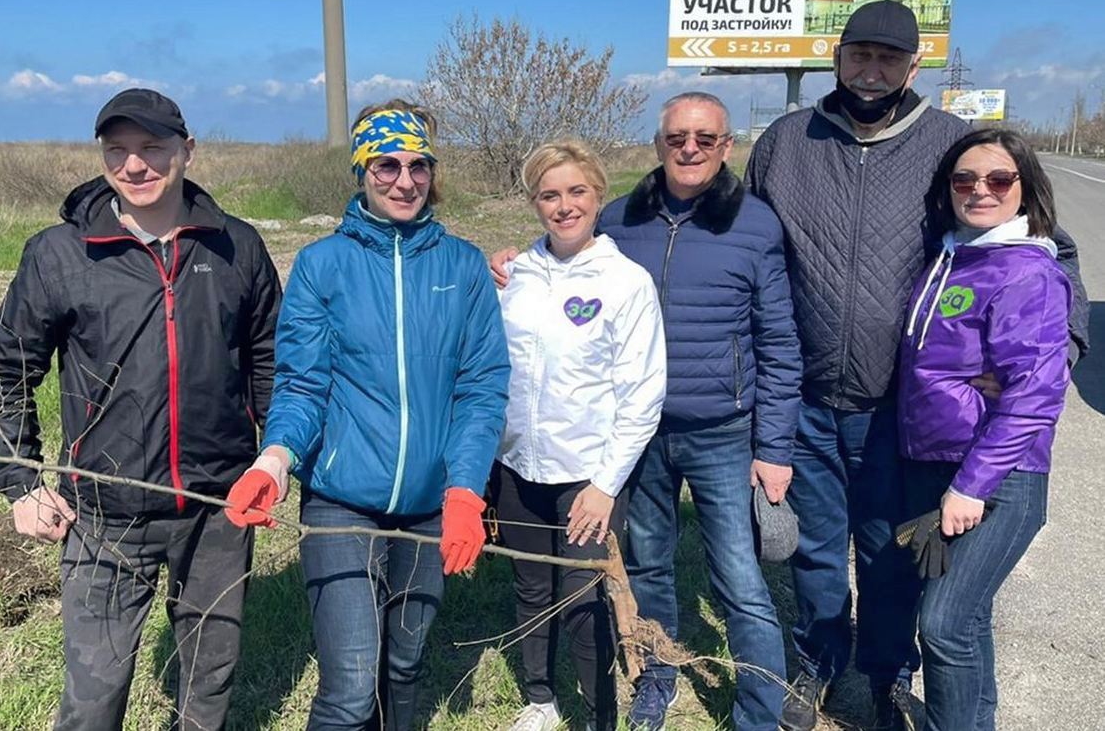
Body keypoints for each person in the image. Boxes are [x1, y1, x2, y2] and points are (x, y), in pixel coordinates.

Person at [745, 0, 1089, 731]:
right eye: (858, 54)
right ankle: (819, 660)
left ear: (913, 66)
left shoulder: (948, 144)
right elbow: (739, 234)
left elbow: (1045, 245)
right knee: (812, 549)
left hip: (898, 406)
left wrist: (1057, 348)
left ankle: (887, 675)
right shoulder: (784, 141)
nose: (870, 71)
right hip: (805, 397)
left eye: (888, 59)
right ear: (835, 58)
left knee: (889, 552)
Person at [0, 88, 282, 731]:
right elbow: (3, 367)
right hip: (104, 513)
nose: (135, 166)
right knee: (93, 695)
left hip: (216, 510)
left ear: (187, 152)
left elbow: (271, 365)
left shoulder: (236, 248)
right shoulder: (60, 254)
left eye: (152, 148)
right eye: (118, 151)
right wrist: (20, 482)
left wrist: (272, 459)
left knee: (208, 685)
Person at [493, 92, 802, 731]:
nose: (690, 149)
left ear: (726, 146)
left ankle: (760, 712)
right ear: (658, 146)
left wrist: (773, 447)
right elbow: (564, 246)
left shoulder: (755, 224)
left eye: (705, 139)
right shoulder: (621, 215)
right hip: (637, 435)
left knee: (739, 581)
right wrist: (511, 262)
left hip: (720, 429)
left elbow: (779, 340)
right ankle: (655, 680)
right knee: (648, 567)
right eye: (676, 138)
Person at [224, 100, 510, 731]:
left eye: (418, 166)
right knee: (352, 683)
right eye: (386, 165)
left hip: (433, 501)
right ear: (361, 172)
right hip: (341, 500)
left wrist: (464, 490)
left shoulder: (463, 266)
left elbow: (482, 387)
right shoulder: (324, 264)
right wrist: (274, 462)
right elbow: (302, 383)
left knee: (405, 663)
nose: (404, 181)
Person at [897, 129, 1070, 731]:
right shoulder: (955, 253)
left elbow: (1034, 395)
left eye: (999, 180)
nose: (980, 191)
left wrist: (972, 486)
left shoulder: (1026, 272)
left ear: (1025, 189)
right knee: (967, 621)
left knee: (942, 626)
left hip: (998, 475)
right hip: (941, 461)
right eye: (965, 179)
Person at [492, 140, 666, 731]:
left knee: (585, 600)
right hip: (518, 468)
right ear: (534, 202)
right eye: (549, 195)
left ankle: (600, 715)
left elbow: (643, 394)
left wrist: (605, 484)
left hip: (587, 475)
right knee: (532, 589)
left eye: (576, 192)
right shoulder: (514, 275)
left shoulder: (626, 282)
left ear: (597, 195)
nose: (563, 206)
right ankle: (541, 698)